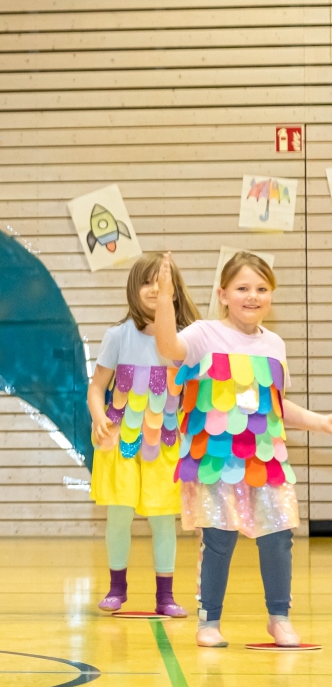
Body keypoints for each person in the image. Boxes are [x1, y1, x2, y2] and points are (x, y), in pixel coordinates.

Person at [151, 251, 332, 648]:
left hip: (265, 458)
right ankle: (209, 621)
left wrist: (319, 421)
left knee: (278, 535)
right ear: (223, 294)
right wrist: (164, 298)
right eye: (243, 288)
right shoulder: (203, 334)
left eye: (262, 289)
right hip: (217, 459)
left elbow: (274, 408)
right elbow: (166, 344)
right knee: (218, 538)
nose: (253, 296)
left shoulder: (275, 345)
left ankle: (279, 618)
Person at [86, 253, 199, 616]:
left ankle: (165, 596)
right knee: (119, 515)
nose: (153, 289)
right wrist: (98, 416)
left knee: (163, 518)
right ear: (133, 289)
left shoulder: (186, 341)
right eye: (146, 282)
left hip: (165, 443)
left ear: (174, 290)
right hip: (120, 440)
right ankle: (116, 588)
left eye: (161, 282)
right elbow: (96, 387)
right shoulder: (118, 335)